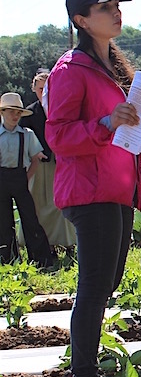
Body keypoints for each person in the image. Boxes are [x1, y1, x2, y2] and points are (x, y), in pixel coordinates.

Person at [48, 0, 141, 377]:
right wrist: (105, 122)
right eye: (105, 8)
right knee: (95, 284)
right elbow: (58, 136)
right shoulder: (70, 70)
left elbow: (132, 144)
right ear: (81, 20)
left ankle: (83, 367)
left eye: (117, 5)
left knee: (107, 282)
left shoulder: (115, 70)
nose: (116, 12)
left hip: (118, 189)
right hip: (89, 191)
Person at [19, 70, 76, 251]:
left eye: (47, 88)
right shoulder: (29, 112)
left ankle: (67, 242)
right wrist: (33, 152)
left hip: (62, 163)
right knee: (38, 203)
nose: (43, 92)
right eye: (40, 89)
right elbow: (22, 136)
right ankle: (42, 243)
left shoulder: (62, 109)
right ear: (34, 89)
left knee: (61, 202)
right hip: (39, 165)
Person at [0, 92, 55, 268]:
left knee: (30, 218)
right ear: (2, 112)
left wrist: (26, 177)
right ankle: (8, 258)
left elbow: (35, 158)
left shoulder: (27, 134)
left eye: (18, 112)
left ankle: (40, 259)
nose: (15, 116)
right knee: (3, 221)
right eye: (11, 112)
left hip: (20, 178)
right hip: (2, 181)